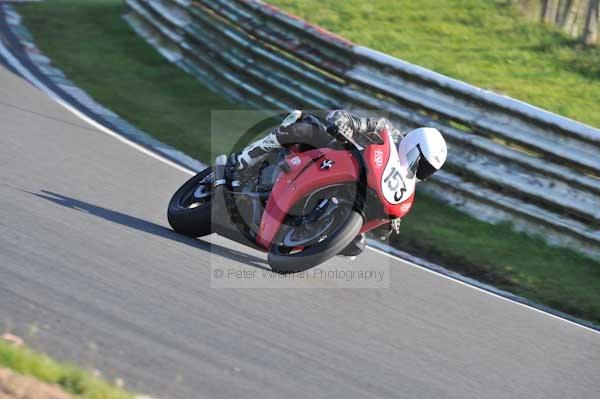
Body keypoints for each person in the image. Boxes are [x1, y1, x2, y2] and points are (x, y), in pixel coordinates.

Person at [235, 110, 447, 257]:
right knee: (305, 126)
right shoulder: (386, 130)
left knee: (356, 245)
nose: (422, 172)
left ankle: (305, 237)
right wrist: (343, 124)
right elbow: (345, 118)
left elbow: (382, 230)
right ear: (413, 146)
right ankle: (248, 158)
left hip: (354, 191)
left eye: (428, 170)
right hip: (333, 155)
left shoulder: (402, 183)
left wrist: (388, 222)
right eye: (422, 164)